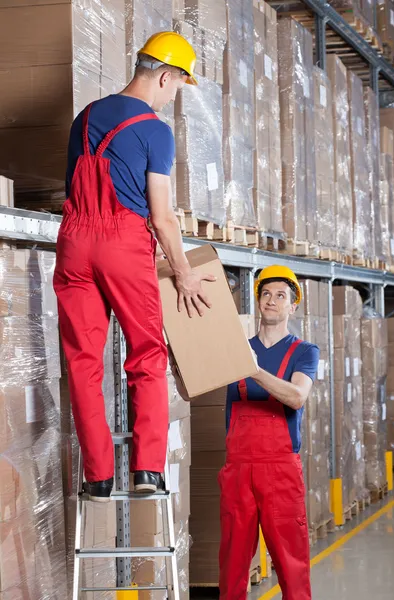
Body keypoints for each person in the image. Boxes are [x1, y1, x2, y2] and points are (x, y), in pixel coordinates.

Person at [54, 31, 215, 501]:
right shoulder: (156, 131)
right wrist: (183, 270)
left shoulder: (84, 118)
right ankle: (147, 470)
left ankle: (98, 477)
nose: (173, 98)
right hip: (122, 243)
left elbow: (76, 189)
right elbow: (161, 216)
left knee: (82, 363)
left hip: (74, 241)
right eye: (177, 87)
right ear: (165, 76)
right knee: (146, 355)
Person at [172, 265, 319, 599]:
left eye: (281, 295)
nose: (271, 301)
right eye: (265, 294)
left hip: (280, 471)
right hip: (238, 469)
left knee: (291, 563)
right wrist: (177, 365)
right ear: (258, 302)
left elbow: (297, 397)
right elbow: (187, 391)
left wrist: (252, 369)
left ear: (292, 306)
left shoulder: (304, 351)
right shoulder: (235, 346)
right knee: (233, 563)